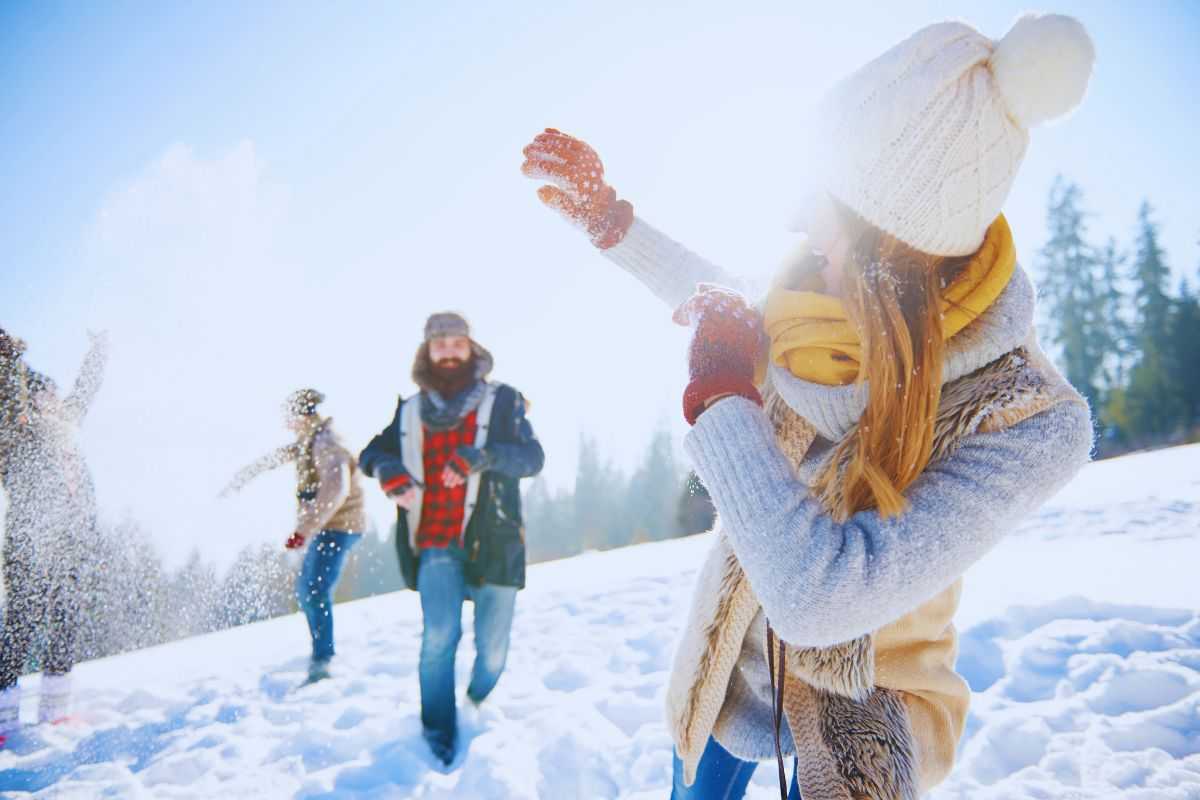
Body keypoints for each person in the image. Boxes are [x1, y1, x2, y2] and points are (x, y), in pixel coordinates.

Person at [523, 13, 1095, 799]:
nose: (796, 218)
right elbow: (715, 291)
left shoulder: (1024, 418)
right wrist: (611, 223)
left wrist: (722, 399)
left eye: (823, 197)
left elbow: (819, 602)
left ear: (888, 233)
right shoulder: (813, 311)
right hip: (736, 661)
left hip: (867, 708)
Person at [359, 312, 544, 766]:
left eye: (455, 341)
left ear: (471, 347)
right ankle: (437, 729)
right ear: (426, 351)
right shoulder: (409, 410)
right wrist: (387, 470)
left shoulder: (503, 401)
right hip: (435, 541)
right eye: (437, 342)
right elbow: (371, 453)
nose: (447, 350)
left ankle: (478, 702)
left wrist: (481, 457)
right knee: (438, 635)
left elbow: (532, 458)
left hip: (495, 542)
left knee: (494, 651)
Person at [0, 330, 108, 743]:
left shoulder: (68, 427)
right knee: (21, 624)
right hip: (29, 541)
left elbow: (86, 388)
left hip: (73, 539)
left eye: (57, 397)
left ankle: (55, 712)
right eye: (47, 395)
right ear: (32, 401)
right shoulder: (16, 434)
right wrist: (9, 356)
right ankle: (5, 719)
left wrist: (98, 352)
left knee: (66, 618)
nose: (57, 402)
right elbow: (10, 390)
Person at [221, 389, 367, 684]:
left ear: (303, 414)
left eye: (289, 416)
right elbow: (277, 457)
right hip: (328, 527)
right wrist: (243, 476)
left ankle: (323, 660)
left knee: (313, 591)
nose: (286, 422)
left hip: (339, 527)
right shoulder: (309, 439)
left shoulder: (329, 443)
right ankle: (321, 655)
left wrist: (304, 530)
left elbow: (336, 490)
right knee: (307, 590)